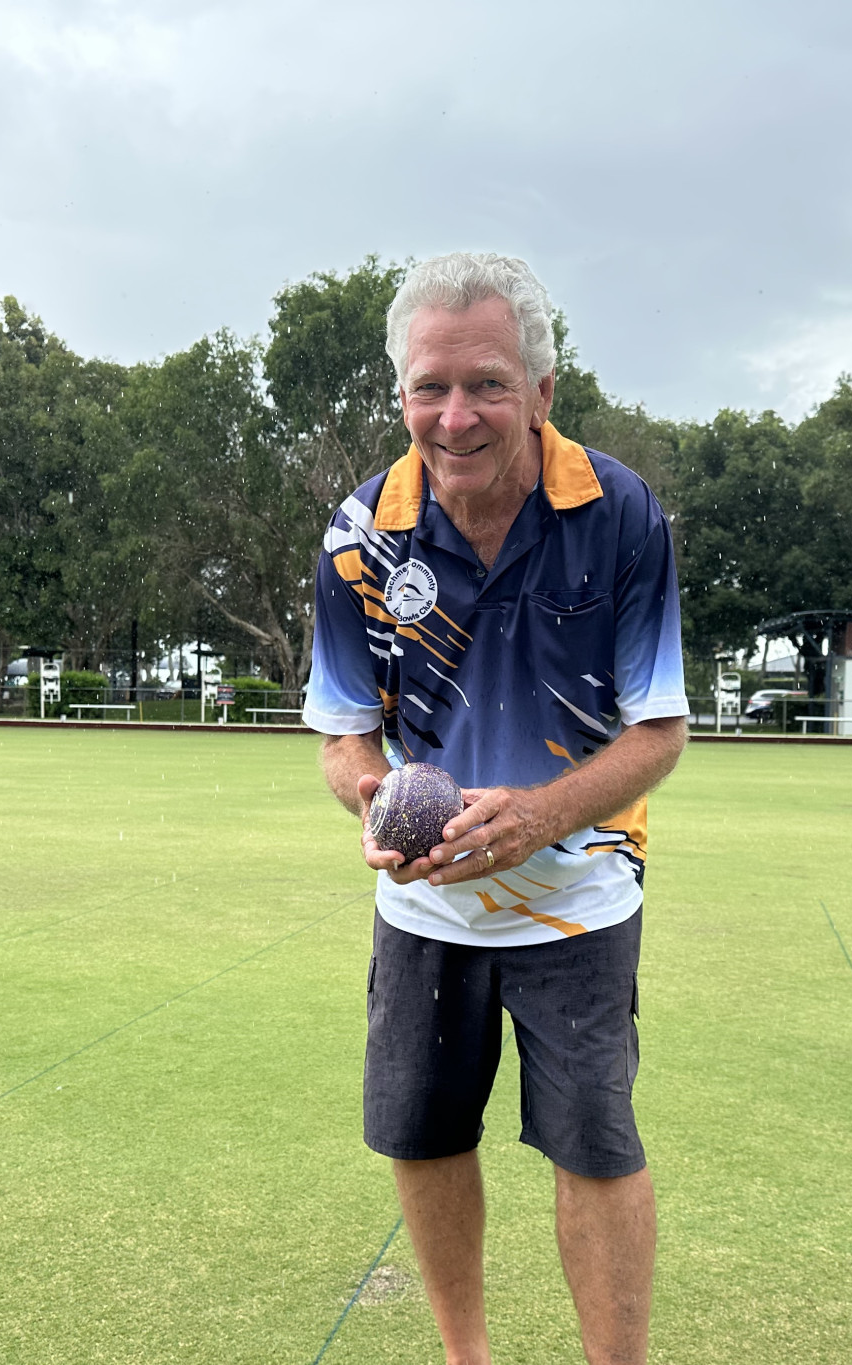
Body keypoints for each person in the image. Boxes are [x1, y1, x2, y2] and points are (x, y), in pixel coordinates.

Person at [304, 252, 688, 1365]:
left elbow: (656, 732)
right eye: (429, 387)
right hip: (426, 906)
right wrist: (369, 799)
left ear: (541, 391)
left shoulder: (617, 514)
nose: (455, 415)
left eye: (485, 384)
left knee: (595, 1147)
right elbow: (341, 732)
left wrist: (534, 818)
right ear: (400, 393)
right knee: (421, 1136)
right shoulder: (360, 534)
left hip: (577, 893)